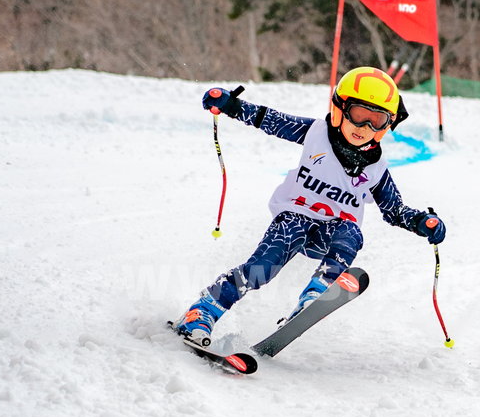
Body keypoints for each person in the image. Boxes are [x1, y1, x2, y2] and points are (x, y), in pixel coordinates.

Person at [174, 66, 447, 346]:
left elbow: (394, 211)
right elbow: (269, 120)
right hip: (295, 218)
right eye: (359, 115)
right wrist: (232, 105)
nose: (365, 128)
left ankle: (317, 293)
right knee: (261, 269)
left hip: (333, 233)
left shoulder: (376, 168)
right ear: (340, 108)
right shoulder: (316, 133)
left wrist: (421, 222)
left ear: (387, 126)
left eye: (377, 120)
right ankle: (202, 312)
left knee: (352, 233)